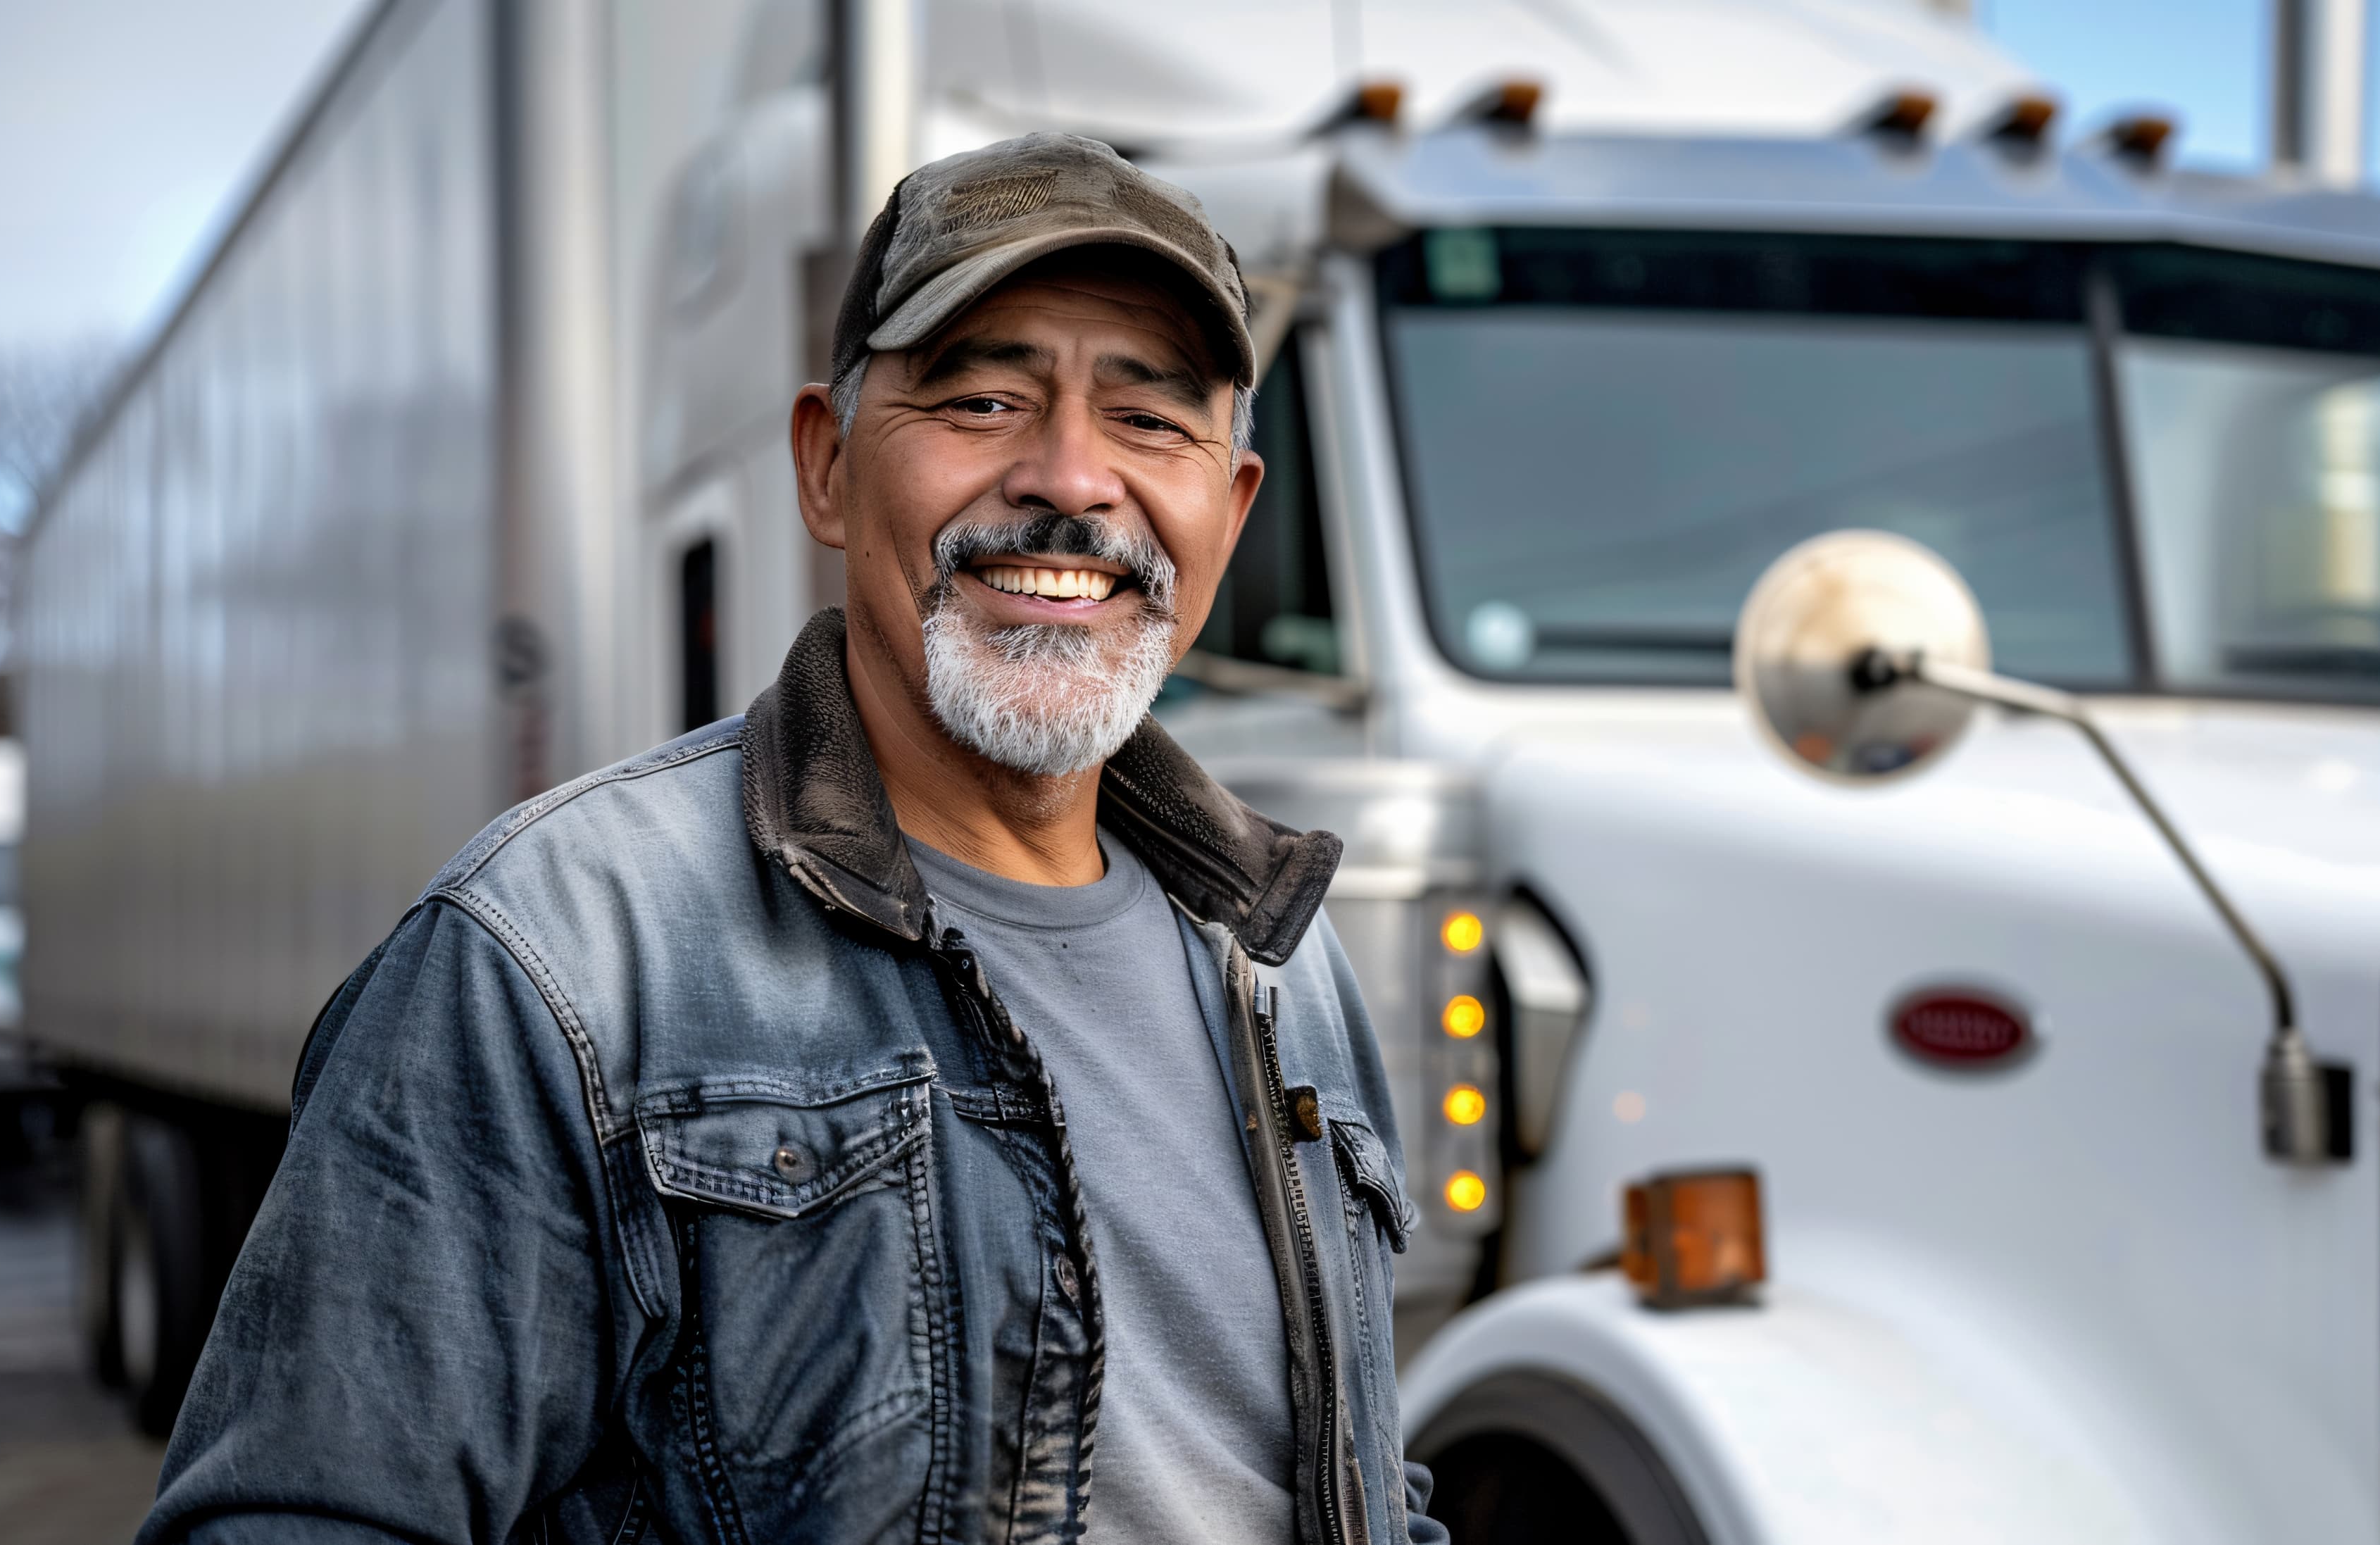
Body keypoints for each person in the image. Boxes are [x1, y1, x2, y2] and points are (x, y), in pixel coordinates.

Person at [140, 132, 1441, 1545]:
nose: (1071, 478)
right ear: (826, 468)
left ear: (1230, 510)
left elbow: (1354, 1481)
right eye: (985, 397)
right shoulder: (561, 955)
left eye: (1148, 419)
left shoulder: (1282, 966)